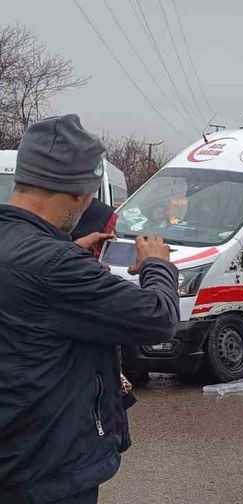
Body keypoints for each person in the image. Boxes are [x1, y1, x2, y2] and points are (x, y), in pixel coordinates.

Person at [0, 114, 180, 504]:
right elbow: (159, 318)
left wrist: (69, 252)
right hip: (44, 471)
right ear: (78, 192)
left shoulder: (30, 251)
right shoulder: (56, 266)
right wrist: (157, 265)